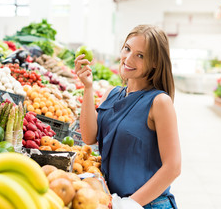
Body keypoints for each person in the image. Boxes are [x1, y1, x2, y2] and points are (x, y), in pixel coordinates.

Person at [74, 24, 181, 208]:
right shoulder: (111, 93)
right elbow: (89, 136)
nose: (128, 58)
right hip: (113, 200)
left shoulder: (159, 102)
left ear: (155, 62)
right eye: (127, 48)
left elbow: (173, 167)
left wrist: (129, 204)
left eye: (140, 55)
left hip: (147, 204)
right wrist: (88, 87)